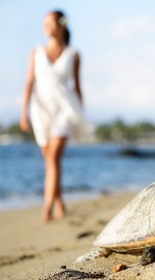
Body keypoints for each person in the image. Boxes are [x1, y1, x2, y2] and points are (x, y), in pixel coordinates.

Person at [20, 10, 87, 222]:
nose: (46, 26)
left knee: (53, 158)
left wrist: (80, 114)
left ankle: (46, 207)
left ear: (61, 25)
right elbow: (30, 81)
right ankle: (59, 202)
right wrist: (24, 112)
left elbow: (77, 87)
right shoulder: (36, 51)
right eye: (44, 22)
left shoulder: (73, 54)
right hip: (41, 109)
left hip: (65, 110)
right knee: (49, 160)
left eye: (50, 22)